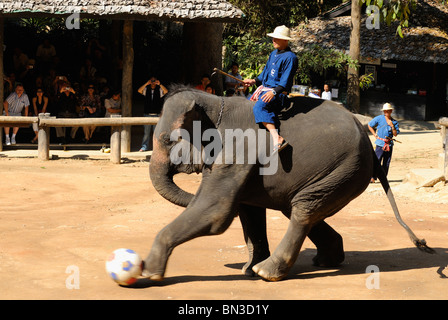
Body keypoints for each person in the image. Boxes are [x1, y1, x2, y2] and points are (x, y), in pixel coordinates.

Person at [243, 25, 298, 153]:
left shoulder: (291, 58)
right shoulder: (273, 54)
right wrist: (253, 81)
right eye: (273, 38)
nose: (273, 40)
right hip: (265, 89)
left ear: (285, 40)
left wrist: (273, 92)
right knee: (246, 102)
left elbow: (285, 82)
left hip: (278, 94)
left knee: (259, 107)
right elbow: (264, 75)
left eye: (277, 38)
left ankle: (277, 137)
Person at [368, 103, 400, 181]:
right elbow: (370, 125)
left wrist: (392, 126)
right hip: (380, 143)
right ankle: (373, 177)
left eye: (388, 111)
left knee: (386, 162)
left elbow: (395, 134)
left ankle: (383, 178)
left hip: (389, 144)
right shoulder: (379, 118)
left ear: (391, 111)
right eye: (385, 111)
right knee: (377, 160)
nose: (386, 112)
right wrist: (374, 134)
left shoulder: (394, 122)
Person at [138, 77, 168, 151]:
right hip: (147, 114)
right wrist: (146, 83)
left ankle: (156, 147)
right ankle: (144, 147)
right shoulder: (146, 89)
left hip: (157, 114)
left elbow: (166, 91)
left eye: (154, 81)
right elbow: (139, 90)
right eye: (152, 81)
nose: (153, 82)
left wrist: (160, 84)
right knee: (146, 133)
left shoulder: (159, 89)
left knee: (157, 133)